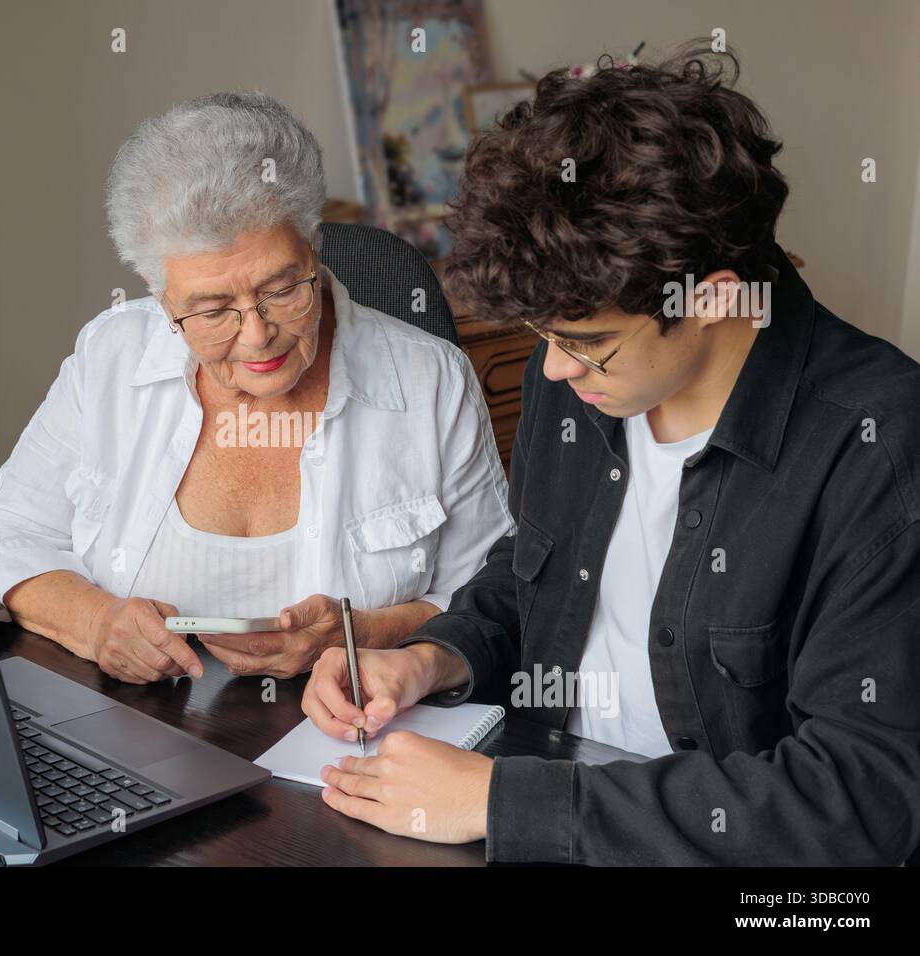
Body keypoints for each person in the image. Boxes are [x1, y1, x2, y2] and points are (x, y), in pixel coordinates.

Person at [302, 44, 920, 864]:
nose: (554, 368)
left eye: (586, 343)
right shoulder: (585, 379)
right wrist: (432, 659)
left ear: (715, 297)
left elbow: (859, 800)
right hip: (542, 800)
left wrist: (503, 802)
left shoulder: (877, 447)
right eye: (544, 338)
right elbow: (530, 573)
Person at [0, 92, 513, 685]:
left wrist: (361, 633)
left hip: (351, 736)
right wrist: (96, 623)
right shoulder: (112, 355)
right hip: (142, 733)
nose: (256, 338)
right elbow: (2, 535)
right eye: (212, 309)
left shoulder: (431, 379)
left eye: (280, 290)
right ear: (157, 291)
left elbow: (493, 599)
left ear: (312, 245)